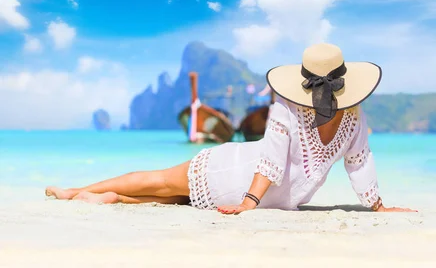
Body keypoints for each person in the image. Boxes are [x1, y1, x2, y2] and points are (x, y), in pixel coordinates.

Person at [46, 43, 416, 213]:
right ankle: (93, 195)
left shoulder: (308, 108)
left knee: (165, 185)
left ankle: (89, 192)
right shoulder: (350, 114)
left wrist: (248, 203)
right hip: (263, 192)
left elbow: (278, 156)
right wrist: (378, 207)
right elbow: (356, 162)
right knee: (171, 193)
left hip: (247, 185)